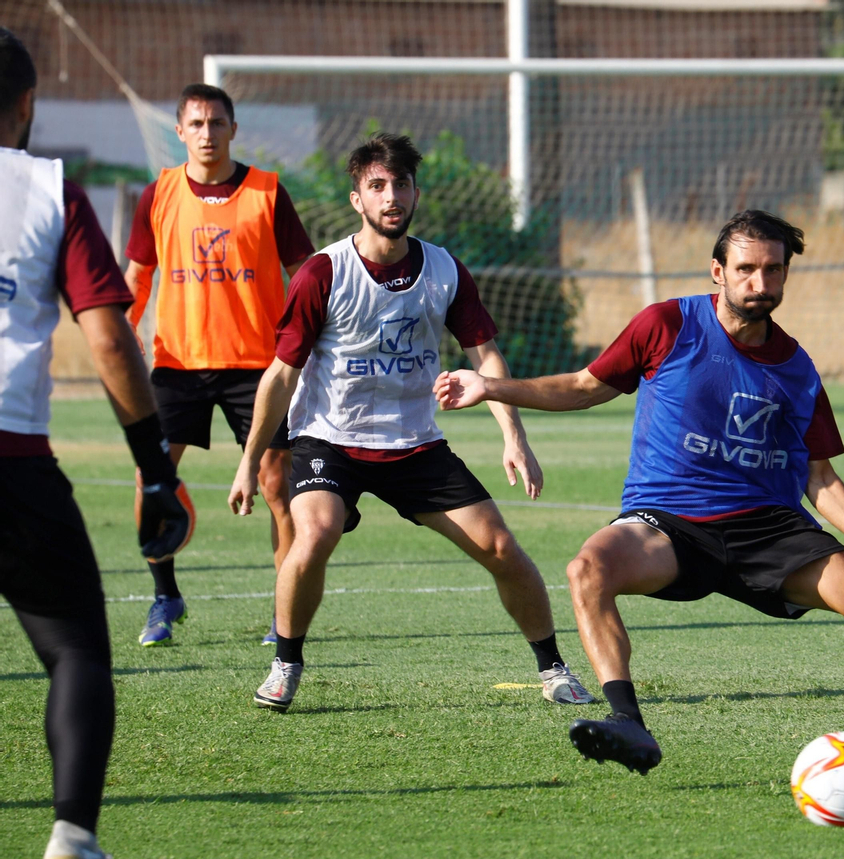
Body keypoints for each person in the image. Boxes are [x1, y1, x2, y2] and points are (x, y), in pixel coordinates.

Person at [434, 209, 844, 779]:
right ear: (717, 271)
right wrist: (490, 386)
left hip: (769, 529)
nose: (760, 284)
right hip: (668, 523)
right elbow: (583, 388)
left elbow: (819, 476)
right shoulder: (665, 325)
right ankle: (629, 723)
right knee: (588, 568)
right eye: (747, 269)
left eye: (773, 271)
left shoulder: (797, 368)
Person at [225, 133, 593, 712]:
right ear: (357, 199)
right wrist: (249, 463)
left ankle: (554, 669)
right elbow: (278, 376)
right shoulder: (324, 273)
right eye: (377, 186)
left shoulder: (444, 270)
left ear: (415, 192)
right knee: (315, 533)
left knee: (501, 547)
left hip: (415, 445)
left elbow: (485, 355)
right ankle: (285, 663)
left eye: (400, 184)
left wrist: (514, 436)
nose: (390, 196)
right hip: (330, 440)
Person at [0, 28, 192, 859]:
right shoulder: (47, 188)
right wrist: (155, 471)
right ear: (29, 104)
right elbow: (111, 341)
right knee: (75, 649)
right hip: (13, 467)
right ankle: (72, 836)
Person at [123, 83, 316, 646]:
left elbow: (306, 271)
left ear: (234, 130)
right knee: (150, 478)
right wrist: (128, 329)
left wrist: (307, 338)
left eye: (217, 123)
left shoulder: (267, 192)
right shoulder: (157, 193)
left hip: (258, 366)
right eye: (197, 124)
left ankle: (284, 614)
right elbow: (136, 276)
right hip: (177, 364)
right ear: (179, 132)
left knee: (278, 484)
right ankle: (165, 599)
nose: (207, 134)